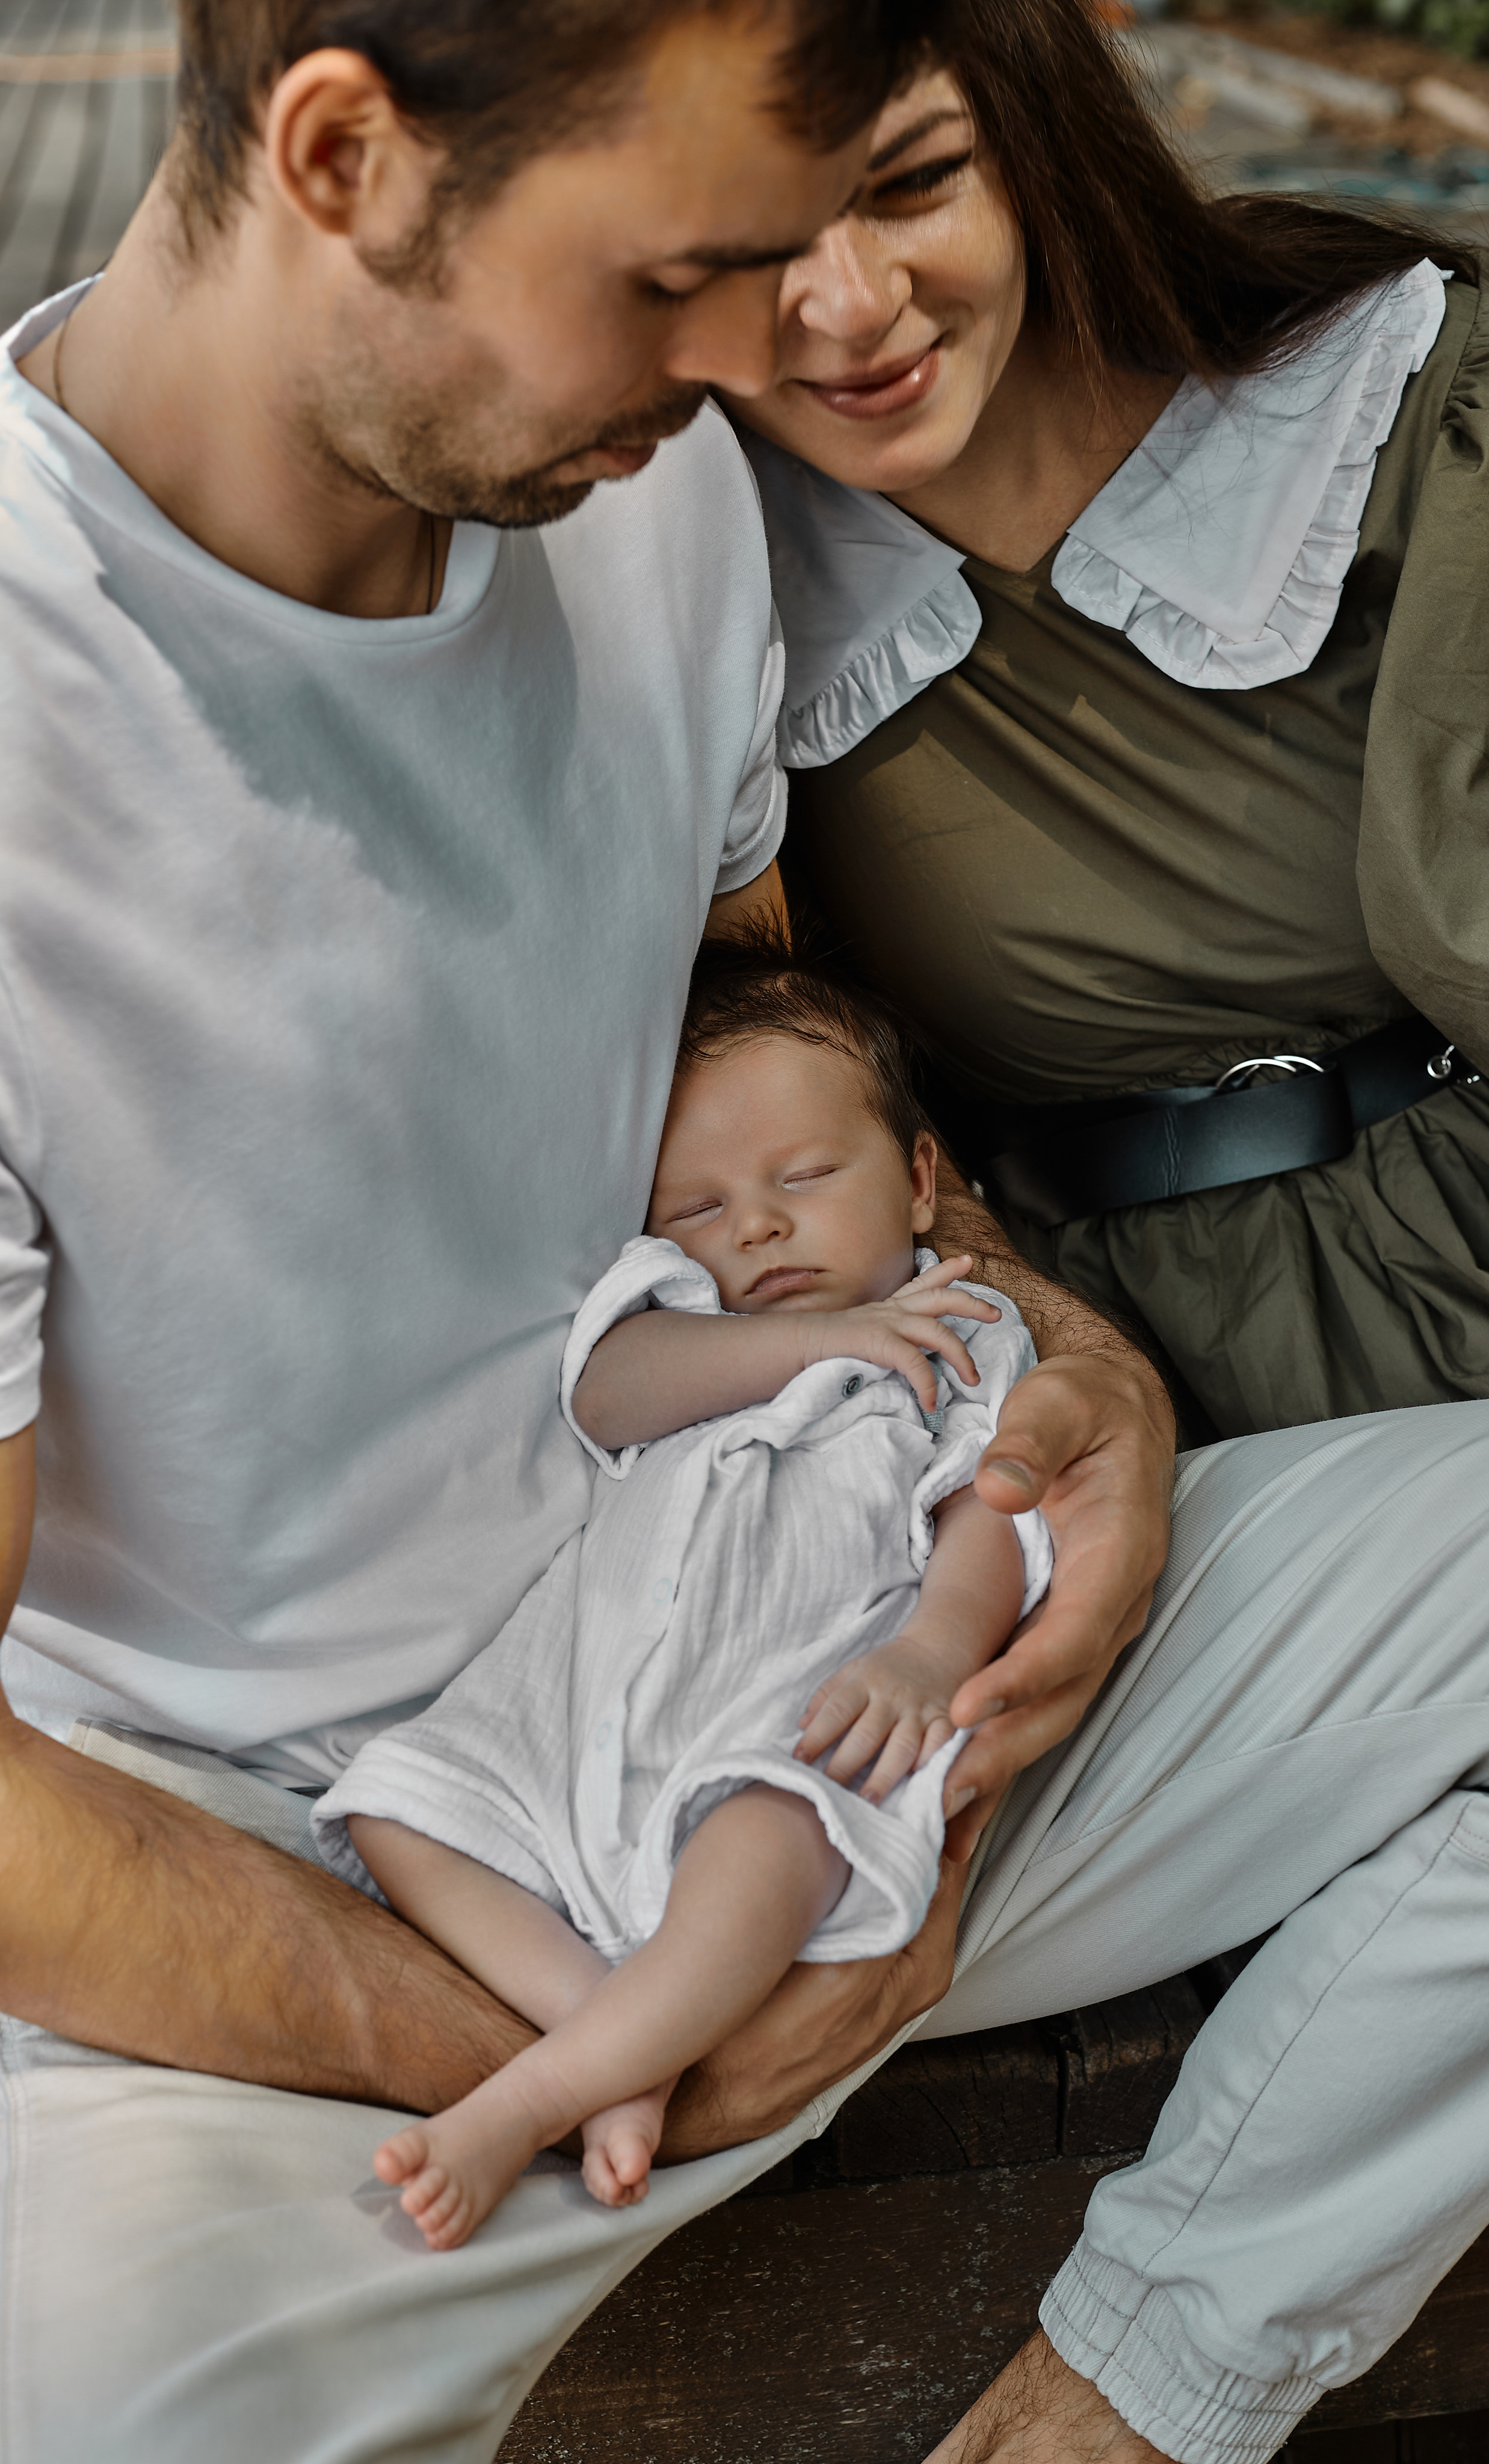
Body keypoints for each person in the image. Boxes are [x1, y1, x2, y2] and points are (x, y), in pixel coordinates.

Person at [0, 3, 1195, 2458]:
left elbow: (782, 1094)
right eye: (675, 279)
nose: (764, 356)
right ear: (343, 152)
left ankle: (1142, 2389)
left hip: (809, 1638)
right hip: (280, 1878)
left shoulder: (649, 490)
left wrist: (1056, 1370)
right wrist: (610, 2035)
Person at [724, 0, 1489, 1447]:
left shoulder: (1391, 407)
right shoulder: (688, 584)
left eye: (913, 181)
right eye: (743, 233)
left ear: (1032, 137)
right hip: (1061, 1398)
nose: (849, 301)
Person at [310, 940, 1050, 2245]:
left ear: (920, 1178)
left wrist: (934, 1649)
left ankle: (537, 2095)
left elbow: (988, 1506)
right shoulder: (681, 1317)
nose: (753, 1225)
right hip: (574, 1706)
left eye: (804, 1177)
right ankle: (617, 2037)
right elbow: (608, 1393)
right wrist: (816, 1337)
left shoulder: (962, 1329)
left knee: (774, 1845)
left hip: (777, 1713)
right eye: (696, 1205)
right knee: (392, 1807)